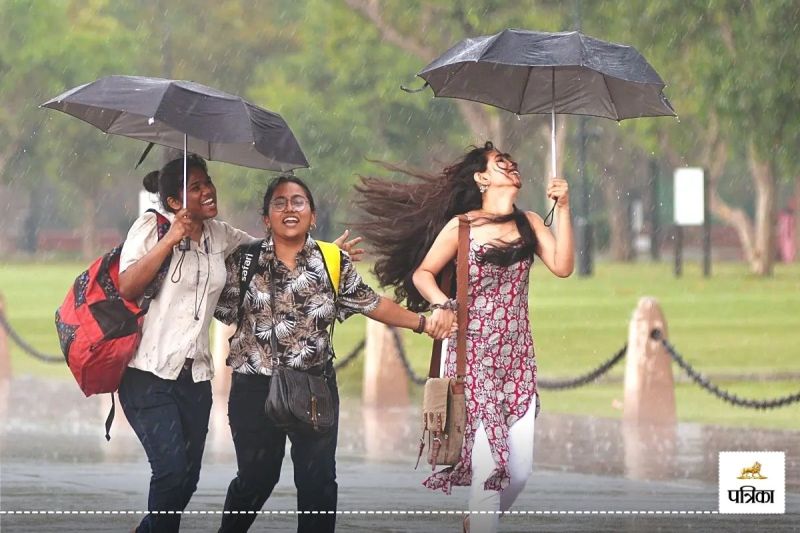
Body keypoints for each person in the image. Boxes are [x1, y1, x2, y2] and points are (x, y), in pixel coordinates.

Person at [117, 156, 360, 533]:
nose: (208, 191)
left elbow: (276, 247)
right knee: (170, 473)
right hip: (148, 372)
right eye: (195, 187)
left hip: (195, 377)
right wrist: (171, 239)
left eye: (208, 182)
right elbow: (128, 286)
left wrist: (325, 253)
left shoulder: (220, 235)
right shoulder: (151, 226)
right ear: (174, 202)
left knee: (187, 479)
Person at [355, 142, 574, 533]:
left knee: (520, 471)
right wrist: (442, 303)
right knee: (490, 468)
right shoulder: (463, 227)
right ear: (481, 178)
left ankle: (477, 522)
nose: (512, 166)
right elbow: (423, 273)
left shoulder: (530, 223)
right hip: (470, 354)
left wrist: (565, 209)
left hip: (517, 358)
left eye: (513, 162)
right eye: (501, 162)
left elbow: (563, 266)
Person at [214, 175, 448, 533]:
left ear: (313, 216)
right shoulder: (245, 261)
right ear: (266, 218)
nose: (289, 209)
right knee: (256, 479)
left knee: (318, 483)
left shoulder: (332, 260)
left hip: (314, 388)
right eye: (279, 202)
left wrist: (422, 323)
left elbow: (372, 303)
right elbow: (215, 306)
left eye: (298, 201)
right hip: (254, 389)